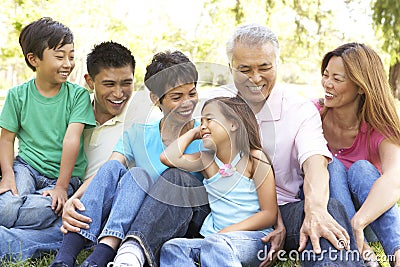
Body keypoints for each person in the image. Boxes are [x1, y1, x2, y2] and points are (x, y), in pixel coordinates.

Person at [106, 23, 364, 267]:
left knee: (328, 209)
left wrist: (314, 209)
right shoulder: (215, 102)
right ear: (230, 67)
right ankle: (135, 250)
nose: (255, 78)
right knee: (178, 178)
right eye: (245, 69)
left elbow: (315, 162)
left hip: (282, 211)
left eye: (264, 67)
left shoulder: (299, 110)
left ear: (277, 64)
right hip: (218, 214)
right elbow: (175, 146)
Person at [49, 50, 207, 267]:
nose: (188, 103)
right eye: (176, 97)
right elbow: (106, 171)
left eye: (192, 93)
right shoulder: (137, 135)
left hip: (180, 220)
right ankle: (67, 258)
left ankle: (119, 253)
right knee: (123, 171)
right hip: (134, 218)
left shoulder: (207, 134)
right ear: (155, 98)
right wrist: (74, 200)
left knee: (175, 175)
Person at [0, 40, 137, 262]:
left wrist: (73, 199)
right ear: (90, 82)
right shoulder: (74, 107)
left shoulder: (137, 123)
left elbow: (113, 172)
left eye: (126, 83)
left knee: (33, 234)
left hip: (88, 206)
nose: (119, 93)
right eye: (109, 84)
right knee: (22, 202)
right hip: (54, 194)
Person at [0, 17, 95, 232]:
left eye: (71, 57)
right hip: (27, 167)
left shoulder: (78, 96)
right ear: (34, 59)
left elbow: (72, 139)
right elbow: (6, 139)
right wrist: (7, 175)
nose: (68, 64)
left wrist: (61, 187)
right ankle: (24, 218)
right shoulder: (18, 96)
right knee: (6, 207)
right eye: (60, 57)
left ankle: (23, 218)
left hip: (64, 177)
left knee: (45, 208)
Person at [159, 96, 278, 266]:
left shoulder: (254, 159)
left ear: (233, 124)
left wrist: (225, 233)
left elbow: (269, 214)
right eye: (201, 121)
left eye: (210, 119)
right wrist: (193, 133)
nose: (203, 126)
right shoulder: (207, 161)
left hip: (254, 238)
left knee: (215, 245)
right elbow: (168, 158)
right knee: (172, 248)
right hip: (214, 240)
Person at [316, 42, 400, 267]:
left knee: (362, 168)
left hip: (369, 221)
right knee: (330, 166)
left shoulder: (380, 128)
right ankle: (357, 254)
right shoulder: (314, 115)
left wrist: (358, 221)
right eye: (326, 75)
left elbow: (395, 179)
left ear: (361, 87)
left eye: (337, 79)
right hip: (330, 217)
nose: (327, 84)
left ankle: (398, 253)